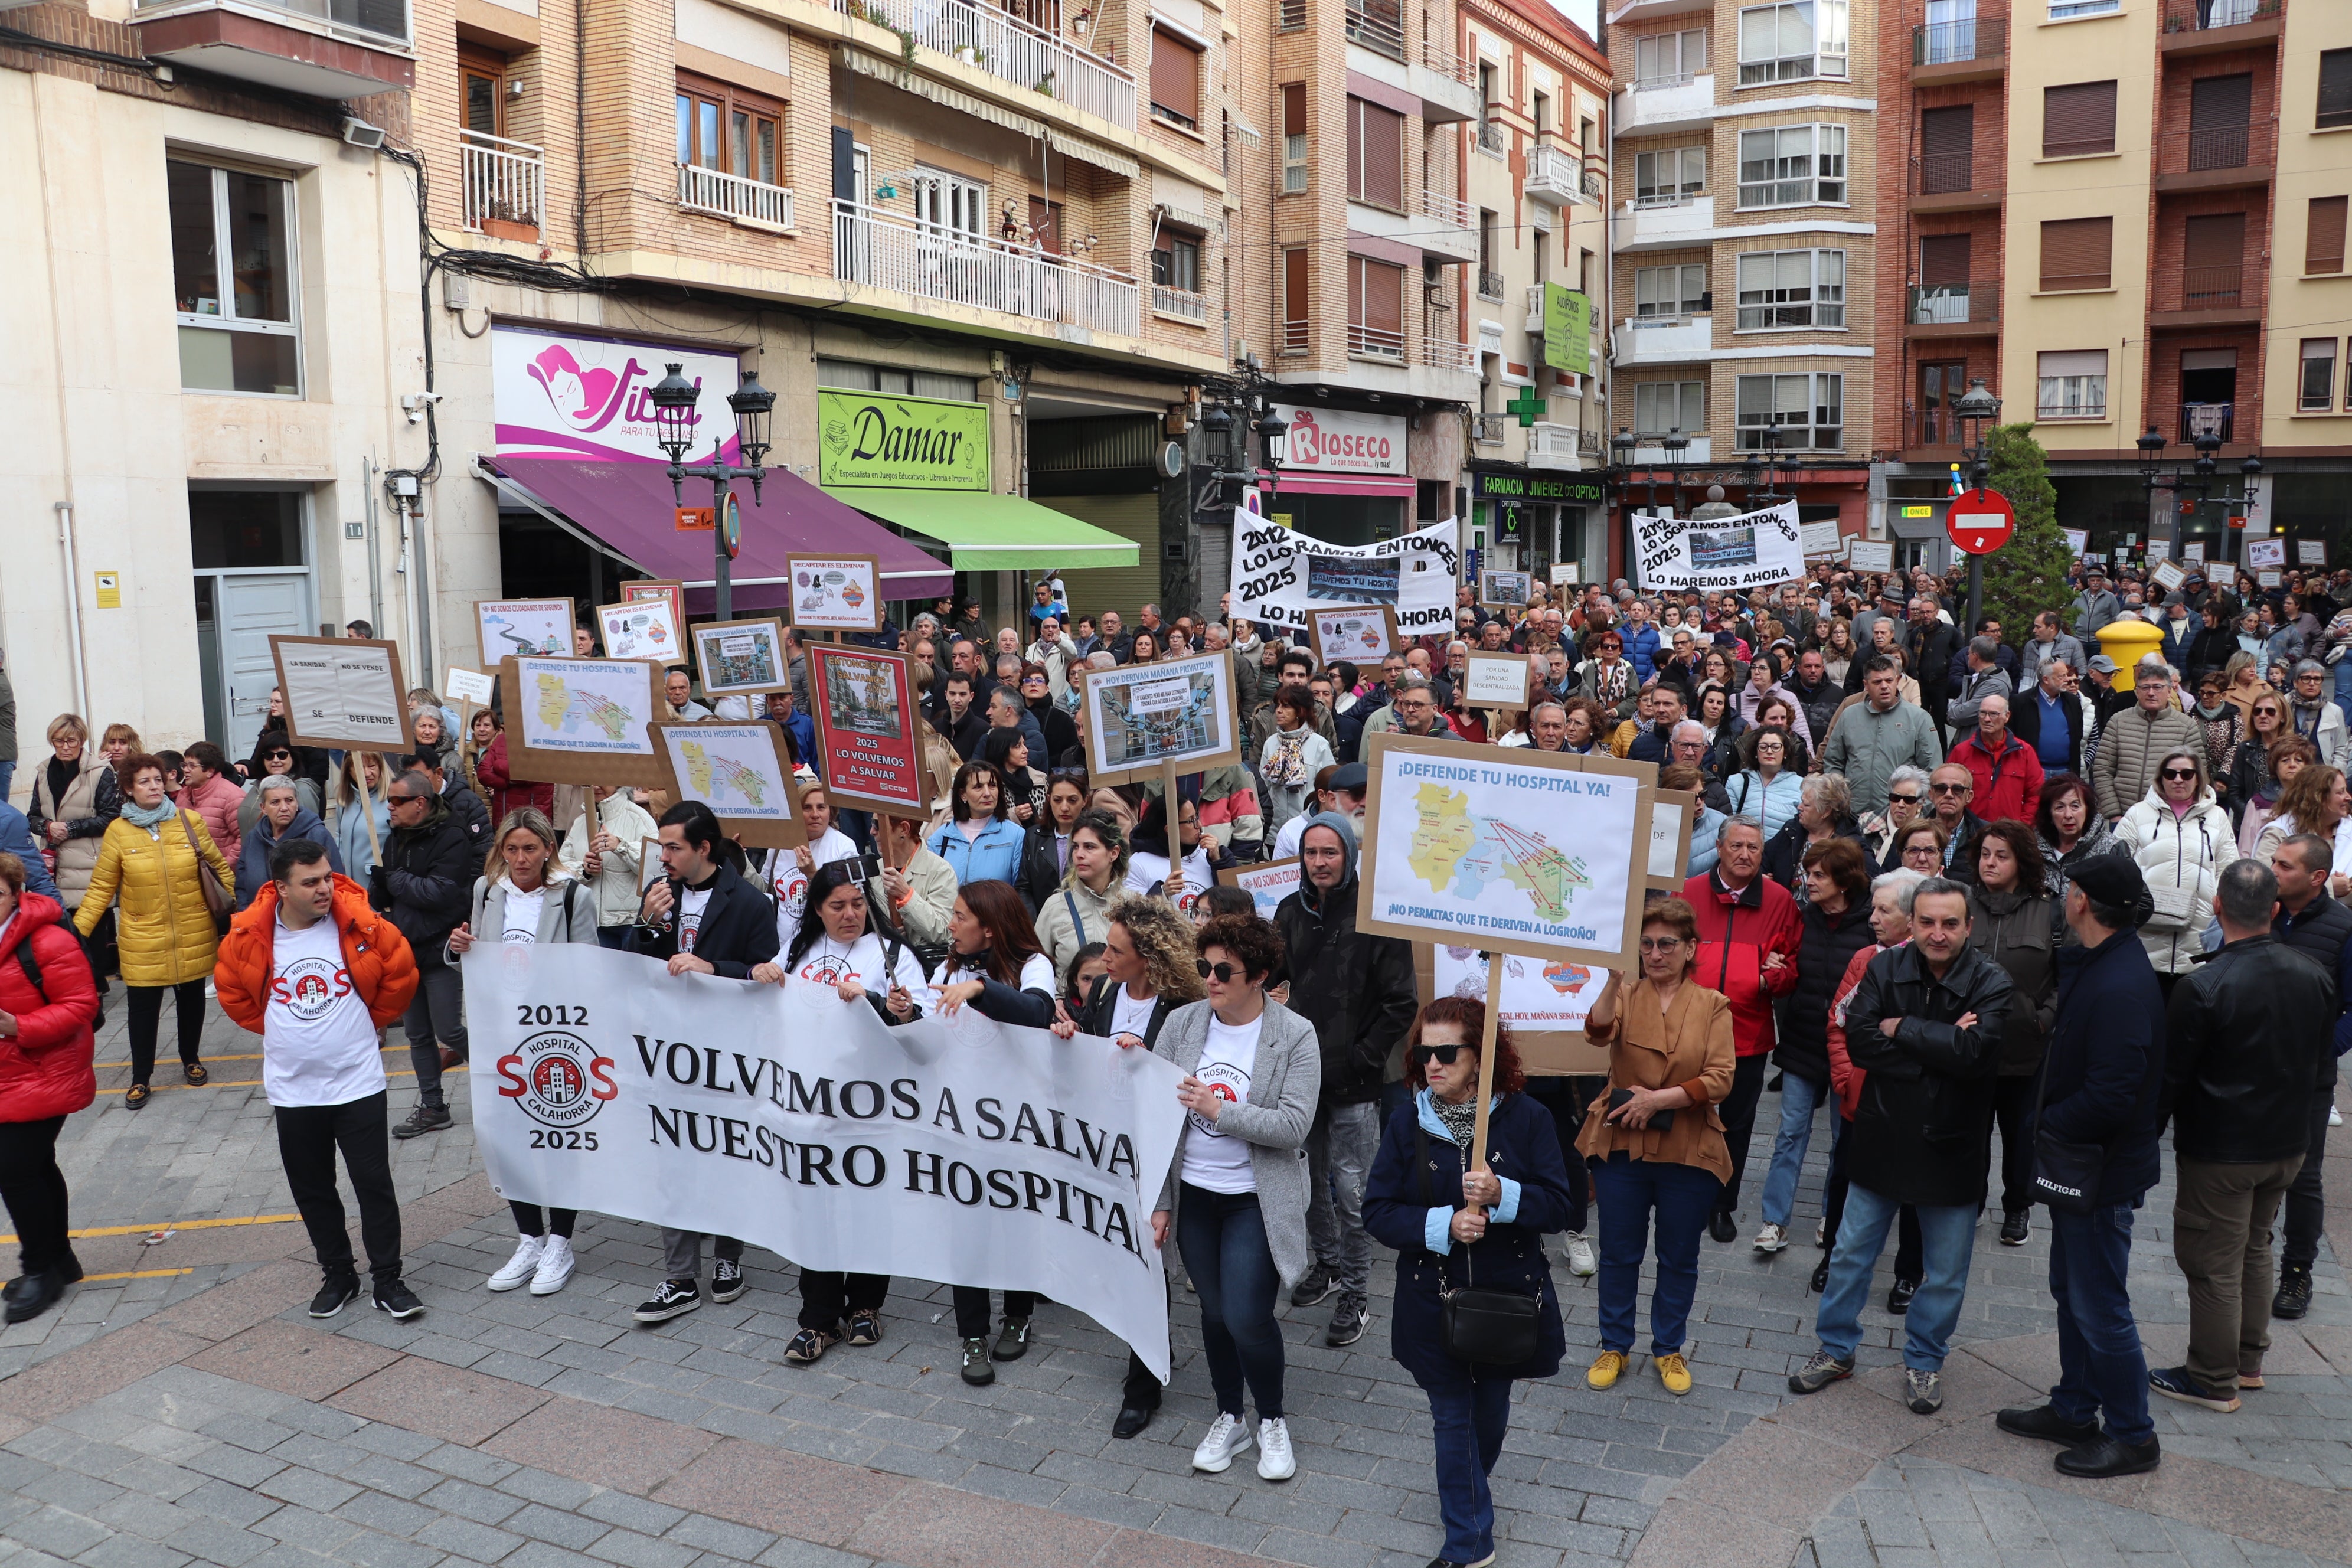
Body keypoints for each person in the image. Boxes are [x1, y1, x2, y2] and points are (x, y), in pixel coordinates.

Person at [1361, 995, 1572, 1568]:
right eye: (1423, 1053)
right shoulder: (1407, 1121)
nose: (1432, 1064)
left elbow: (1561, 1206)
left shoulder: (1529, 1119)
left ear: (1480, 1057)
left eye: (1447, 1052)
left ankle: (1466, 1491)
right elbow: (1377, 1210)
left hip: (1506, 1299)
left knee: (1489, 1415)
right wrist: (1444, 1225)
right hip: (1432, 1299)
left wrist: (1504, 1194)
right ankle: (1469, 1543)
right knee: (1452, 1416)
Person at [1792, 877, 2010, 1415]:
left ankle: (1925, 1360)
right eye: (1927, 922)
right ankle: (1836, 1349)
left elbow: (1976, 1056)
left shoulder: (1992, 981)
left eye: (1950, 923)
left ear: (1969, 927)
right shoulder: (1884, 967)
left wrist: (1903, 1027)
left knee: (1946, 1273)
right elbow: (1862, 1042)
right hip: (1882, 1136)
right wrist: (1943, 1042)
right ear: (1911, 923)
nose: (1938, 933)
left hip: (1952, 1146)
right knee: (1849, 1256)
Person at [1994, 854, 2166, 1478]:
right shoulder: (2100, 960)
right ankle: (2074, 1407)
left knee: (2100, 1305)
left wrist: (2046, 1126)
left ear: (2082, 902)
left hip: (2101, 1173)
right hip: (2086, 1169)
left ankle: (2133, 1435)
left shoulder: (2120, 984)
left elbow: (2112, 1096)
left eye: (2068, 889)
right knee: (2073, 1292)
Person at [214, 837, 423, 1322]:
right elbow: (236, 995)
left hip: (357, 1083)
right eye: (310, 883)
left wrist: (363, 1024)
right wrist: (286, 1033)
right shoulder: (249, 936)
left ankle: (388, 1279)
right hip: (294, 1090)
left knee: (373, 1185)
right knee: (313, 1189)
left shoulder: (362, 925)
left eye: (327, 878)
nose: (325, 889)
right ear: (281, 888)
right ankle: (339, 1274)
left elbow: (399, 978)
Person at [2154, 858, 2335, 1413]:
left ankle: (2213, 1377)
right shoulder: (2313, 974)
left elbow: (2170, 1078)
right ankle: (2248, 1361)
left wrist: (2141, 1139)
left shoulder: (2203, 985)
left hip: (2222, 1150)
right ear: (2274, 910)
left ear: (2217, 906)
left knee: (2213, 1261)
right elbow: (2319, 1059)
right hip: (2286, 1143)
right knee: (2256, 1248)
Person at [1151, 913, 1318, 1482]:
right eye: (1205, 966)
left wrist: (1219, 1110)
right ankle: (1230, 1415)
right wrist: (1161, 1200)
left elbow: (1293, 1126)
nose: (1211, 979)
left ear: (1260, 976)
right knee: (1216, 1313)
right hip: (1196, 1195)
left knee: (1247, 1317)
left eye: (1225, 971)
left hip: (1255, 1198)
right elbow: (1154, 1117)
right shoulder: (1182, 1023)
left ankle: (1271, 1418)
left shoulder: (1295, 1034)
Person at [748, 862, 926, 1364]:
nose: (850, 914)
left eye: (858, 904)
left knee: (868, 1205)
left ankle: (866, 1305)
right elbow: (764, 996)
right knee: (816, 1210)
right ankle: (818, 1319)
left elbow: (921, 1024)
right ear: (817, 909)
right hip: (809, 1106)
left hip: (872, 1108)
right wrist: (758, 973)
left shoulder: (892, 955)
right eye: (837, 906)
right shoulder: (799, 949)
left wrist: (885, 1004)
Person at [1053, 896, 1206, 1438]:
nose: (1105, 959)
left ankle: (1142, 1386)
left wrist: (1148, 1055)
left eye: (1117, 952)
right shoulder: (1103, 991)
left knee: (1149, 1256)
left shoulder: (1183, 1004)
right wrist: (1071, 1037)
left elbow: (1189, 1072)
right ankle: (1152, 1344)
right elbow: (1090, 1051)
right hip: (1110, 1146)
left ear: (1149, 956)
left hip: (1160, 1148)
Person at [628, 801, 780, 1324]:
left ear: (704, 848)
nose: (664, 856)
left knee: (726, 1153)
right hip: (670, 1050)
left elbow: (766, 974)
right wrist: (646, 923)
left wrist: (713, 968)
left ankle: (728, 1258)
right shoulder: (658, 894)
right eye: (663, 847)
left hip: (726, 1052)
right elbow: (634, 966)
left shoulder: (750, 902)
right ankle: (679, 1277)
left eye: (673, 847)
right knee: (673, 1158)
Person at [1576, 899, 1736, 1394]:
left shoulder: (1713, 1004)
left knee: (1679, 1255)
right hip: (1623, 1142)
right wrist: (1610, 980)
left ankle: (1668, 1348)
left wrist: (1658, 1099)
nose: (1656, 954)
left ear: (1690, 949)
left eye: (1667, 944)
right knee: (1618, 1252)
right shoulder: (1625, 994)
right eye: (1646, 944)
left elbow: (1722, 1077)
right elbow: (1596, 1033)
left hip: (1687, 1145)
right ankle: (1615, 1345)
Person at [1275, 811, 1417, 1348]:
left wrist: (1361, 1058)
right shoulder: (1289, 911)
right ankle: (1328, 1265)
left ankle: (1357, 1292)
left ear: (1349, 856)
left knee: (1354, 1192)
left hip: (1355, 1081)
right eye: (1311, 853)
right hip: (1300, 1079)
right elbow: (1273, 981)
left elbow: (1401, 1002)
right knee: (1309, 1184)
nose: (1319, 863)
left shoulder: (1378, 915)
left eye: (1329, 853)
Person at [447, 808, 599, 1296]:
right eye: (511, 849)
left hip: (553, 1039)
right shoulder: (487, 891)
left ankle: (561, 1241)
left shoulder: (573, 895)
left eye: (530, 848)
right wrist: (459, 947)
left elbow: (591, 969)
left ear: (548, 849)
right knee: (509, 1139)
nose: (520, 859)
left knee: (558, 1139)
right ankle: (529, 1238)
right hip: (500, 1037)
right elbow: (475, 962)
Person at [931, 881, 1061, 1382]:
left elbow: (1037, 1013)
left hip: (1018, 1126)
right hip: (961, 1124)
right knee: (968, 1232)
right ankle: (972, 1337)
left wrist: (982, 990)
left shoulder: (1033, 966)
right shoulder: (949, 969)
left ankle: (1018, 1316)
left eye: (960, 916)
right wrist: (899, 1011)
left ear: (989, 928)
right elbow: (926, 1036)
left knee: (1017, 1224)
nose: (950, 925)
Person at [75, 753, 234, 1109]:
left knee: (192, 1002)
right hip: (142, 938)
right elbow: (101, 888)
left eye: (158, 780)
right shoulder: (118, 831)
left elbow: (219, 868)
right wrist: (76, 933)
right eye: (144, 782)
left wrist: (232, 907)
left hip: (193, 931)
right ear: (129, 789)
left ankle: (191, 1059)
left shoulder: (189, 821)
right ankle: (141, 1078)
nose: (153, 787)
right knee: (143, 1011)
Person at [1681, 818, 1800, 1243]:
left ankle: (1722, 1204)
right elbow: (1664, 951)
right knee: (1687, 1114)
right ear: (1719, 848)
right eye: (1736, 846)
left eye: (1753, 847)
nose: (1745, 854)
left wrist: (1767, 979)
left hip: (1747, 1033)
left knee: (1736, 1123)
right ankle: (1685, 1196)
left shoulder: (1780, 901)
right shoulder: (1688, 893)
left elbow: (1792, 965)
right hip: (1687, 1030)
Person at [1756, 840, 1875, 1253]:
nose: (1809, 881)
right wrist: (1776, 964)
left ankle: (1832, 1216)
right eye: (1809, 873)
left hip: (1849, 1051)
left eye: (1819, 875)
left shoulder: (1869, 925)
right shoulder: (1802, 918)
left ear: (1843, 881)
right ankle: (1774, 1221)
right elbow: (1785, 964)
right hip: (1803, 1041)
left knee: (1843, 1140)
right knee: (1790, 1133)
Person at [0, 851, 97, 1324]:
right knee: (35, 1165)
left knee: (14, 1170)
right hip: (10, 1076)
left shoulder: (47, 939)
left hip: (45, 1071)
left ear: (16, 894)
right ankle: (60, 1260)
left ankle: (40, 1269)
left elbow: (81, 1005)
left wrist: (19, 1026)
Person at [2265, 834, 2352, 1321]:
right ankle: (2251, 1253)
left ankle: (2297, 1271)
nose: (2274, 871)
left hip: (2309, 1078)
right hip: (2252, 1069)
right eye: (2274, 862)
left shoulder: (2343, 928)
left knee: (2304, 1176)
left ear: (2317, 878)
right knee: (2249, 1165)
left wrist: (2320, 1051)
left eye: (2285, 866)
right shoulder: (2262, 912)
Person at [1966, 822, 2059, 1246]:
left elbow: (2067, 977)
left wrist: (2044, 1018)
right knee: (1970, 1132)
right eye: (1985, 854)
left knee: (2022, 1137)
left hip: (2027, 1048)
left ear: (2021, 862)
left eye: (2001, 856)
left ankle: (2018, 1206)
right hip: (1971, 1045)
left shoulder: (2049, 911)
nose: (1991, 862)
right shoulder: (1964, 904)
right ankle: (1970, 1199)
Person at [370, 769, 475, 1138]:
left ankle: (501, 1073)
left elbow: (439, 892)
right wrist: (380, 887)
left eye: (396, 800)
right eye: (389, 800)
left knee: (448, 1029)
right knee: (417, 1034)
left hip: (441, 950)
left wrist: (394, 880)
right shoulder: (395, 837)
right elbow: (385, 895)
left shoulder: (451, 836)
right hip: (406, 951)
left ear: (420, 803)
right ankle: (433, 1107)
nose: (390, 807)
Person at [2116, 747, 2240, 984]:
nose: (2178, 780)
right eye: (2170, 773)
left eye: (2186, 774)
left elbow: (2228, 870)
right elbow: (2117, 867)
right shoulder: (2137, 814)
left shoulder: (2217, 817)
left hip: (2199, 939)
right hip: (2144, 938)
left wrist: (2215, 911)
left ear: (2198, 778)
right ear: (2161, 777)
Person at [29, 714, 122, 1008]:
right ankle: (79, 984)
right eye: (58, 741)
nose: (65, 747)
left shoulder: (100, 772)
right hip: (53, 862)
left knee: (91, 926)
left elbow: (111, 816)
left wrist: (69, 828)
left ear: (82, 741)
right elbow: (32, 815)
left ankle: (95, 984)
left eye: (71, 741)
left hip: (88, 860)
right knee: (61, 926)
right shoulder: (43, 771)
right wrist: (47, 826)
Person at [1821, 655, 1942, 819]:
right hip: (1853, 814)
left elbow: (1932, 770)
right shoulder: (1849, 716)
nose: (1884, 686)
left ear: (1897, 680)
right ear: (1866, 685)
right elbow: (1833, 762)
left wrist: (1920, 811)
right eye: (1877, 682)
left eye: (1889, 680)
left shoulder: (1919, 718)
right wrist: (1840, 801)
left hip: (1900, 816)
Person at [2093, 662, 2204, 821]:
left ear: (2170, 691)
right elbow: (2103, 770)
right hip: (2122, 816)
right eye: (2145, 687)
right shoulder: (2118, 722)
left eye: (2157, 687)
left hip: (2167, 817)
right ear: (2137, 691)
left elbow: (2197, 774)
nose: (2151, 693)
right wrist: (2113, 813)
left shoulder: (2186, 726)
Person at [1033, 808, 1128, 983]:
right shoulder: (1055, 906)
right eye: (1076, 847)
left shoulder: (1133, 905)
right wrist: (1055, 996)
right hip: (1066, 1000)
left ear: (1113, 853)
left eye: (1089, 847)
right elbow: (1035, 969)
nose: (1079, 855)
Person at [561, 783, 659, 949]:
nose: (596, 786)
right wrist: (584, 870)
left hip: (631, 921)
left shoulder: (639, 817)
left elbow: (655, 867)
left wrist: (621, 847)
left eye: (602, 780)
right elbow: (560, 868)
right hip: (592, 921)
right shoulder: (580, 822)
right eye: (590, 782)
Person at [234, 778, 343, 912]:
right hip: (259, 917)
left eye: (289, 800)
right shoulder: (254, 837)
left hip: (308, 919)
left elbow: (338, 881)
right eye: (275, 802)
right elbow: (241, 884)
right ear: (263, 808)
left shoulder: (317, 835)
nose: (284, 808)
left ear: (297, 803)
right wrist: (247, 912)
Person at [926, 760, 1027, 888]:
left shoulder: (1016, 835)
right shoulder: (940, 838)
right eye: (978, 787)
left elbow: (1021, 889)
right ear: (963, 794)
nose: (987, 793)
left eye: (992, 785)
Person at [1016, 769, 1089, 913]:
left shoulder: (1096, 837)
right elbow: (1024, 887)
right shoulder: (1034, 836)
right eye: (1058, 800)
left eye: (1072, 800)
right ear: (1049, 799)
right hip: (1043, 919)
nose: (1064, 808)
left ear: (1085, 801)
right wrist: (1035, 923)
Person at [175, 742, 244, 872]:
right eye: (184, 765)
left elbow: (244, 839)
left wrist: (223, 867)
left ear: (210, 771)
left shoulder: (232, 796)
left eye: (192, 766)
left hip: (224, 875)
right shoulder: (183, 795)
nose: (185, 770)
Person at [328, 753, 391, 882]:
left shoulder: (392, 801)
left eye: (372, 766)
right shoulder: (344, 800)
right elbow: (340, 837)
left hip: (377, 884)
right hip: (350, 884)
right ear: (349, 771)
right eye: (359, 767)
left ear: (380, 767)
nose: (367, 773)